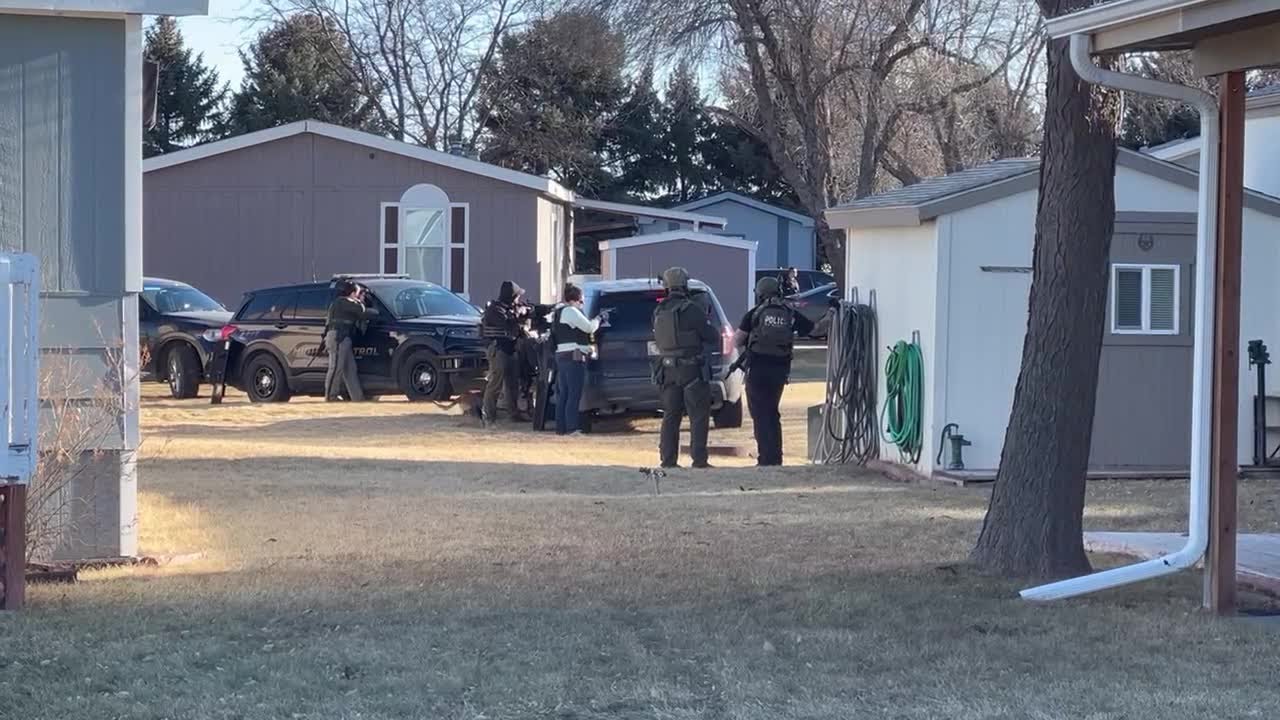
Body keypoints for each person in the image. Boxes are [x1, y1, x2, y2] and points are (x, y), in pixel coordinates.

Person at [735, 276, 814, 466]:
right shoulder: (790, 313)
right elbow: (813, 328)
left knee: (760, 414)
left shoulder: (754, 314)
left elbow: (737, 340)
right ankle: (776, 457)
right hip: (779, 371)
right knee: (772, 412)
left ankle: (765, 457)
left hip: (757, 370)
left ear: (760, 294)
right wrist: (832, 315)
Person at [652, 267, 720, 469]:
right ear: (685, 285)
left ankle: (668, 460)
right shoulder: (691, 309)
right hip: (690, 369)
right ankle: (699, 460)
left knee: (670, 416)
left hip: (667, 370)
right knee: (698, 416)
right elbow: (711, 336)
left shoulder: (659, 310)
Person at [551, 284, 600, 435]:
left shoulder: (558, 312)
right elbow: (589, 327)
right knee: (574, 394)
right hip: (573, 357)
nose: (582, 305)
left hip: (563, 357)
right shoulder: (571, 311)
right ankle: (572, 428)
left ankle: (561, 428)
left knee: (564, 394)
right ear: (575, 300)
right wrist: (599, 319)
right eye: (582, 301)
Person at [481, 281, 529, 427]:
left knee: (512, 384)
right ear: (511, 296)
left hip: (511, 349)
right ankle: (489, 417)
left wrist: (523, 313)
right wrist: (518, 316)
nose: (518, 300)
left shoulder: (509, 308)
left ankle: (513, 413)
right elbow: (508, 325)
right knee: (495, 384)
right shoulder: (495, 309)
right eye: (517, 296)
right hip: (498, 349)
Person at [324, 280, 371, 402]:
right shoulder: (343, 302)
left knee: (350, 369)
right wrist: (362, 302)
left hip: (344, 338)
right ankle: (330, 396)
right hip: (338, 337)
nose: (360, 295)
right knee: (336, 367)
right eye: (359, 292)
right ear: (353, 293)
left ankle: (358, 398)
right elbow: (362, 312)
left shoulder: (346, 303)